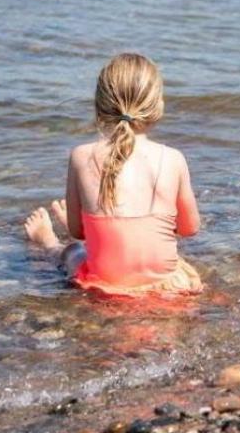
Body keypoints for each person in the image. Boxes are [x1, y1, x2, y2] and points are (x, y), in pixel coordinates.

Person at [23, 52, 203, 296]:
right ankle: (97, 228)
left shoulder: (80, 156)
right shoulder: (173, 159)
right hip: (165, 289)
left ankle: (49, 243)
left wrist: (86, 226)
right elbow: (190, 228)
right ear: (157, 107)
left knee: (74, 251)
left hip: (106, 286)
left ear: (99, 106)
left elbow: (76, 232)